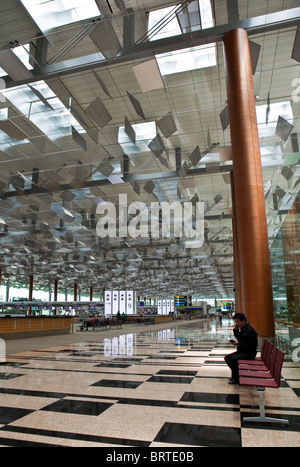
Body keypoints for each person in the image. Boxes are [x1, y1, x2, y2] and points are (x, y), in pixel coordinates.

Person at [224, 313, 258, 384]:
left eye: (238, 322)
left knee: (234, 359)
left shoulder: (249, 330)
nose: (236, 323)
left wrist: (238, 343)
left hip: (249, 353)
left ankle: (236, 378)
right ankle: (237, 375)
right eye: (235, 322)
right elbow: (240, 339)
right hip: (242, 351)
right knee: (227, 358)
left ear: (243, 321)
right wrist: (236, 330)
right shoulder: (243, 328)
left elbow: (250, 344)